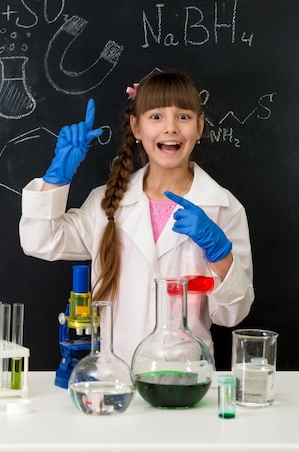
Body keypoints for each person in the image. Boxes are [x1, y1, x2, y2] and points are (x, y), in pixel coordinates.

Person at [19, 70, 254, 364]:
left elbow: (233, 313)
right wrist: (57, 177)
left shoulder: (223, 209)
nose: (171, 128)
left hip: (186, 378)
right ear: (137, 127)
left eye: (183, 117)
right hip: (116, 376)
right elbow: (40, 241)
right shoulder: (107, 204)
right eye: (156, 117)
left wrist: (220, 253)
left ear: (199, 126)